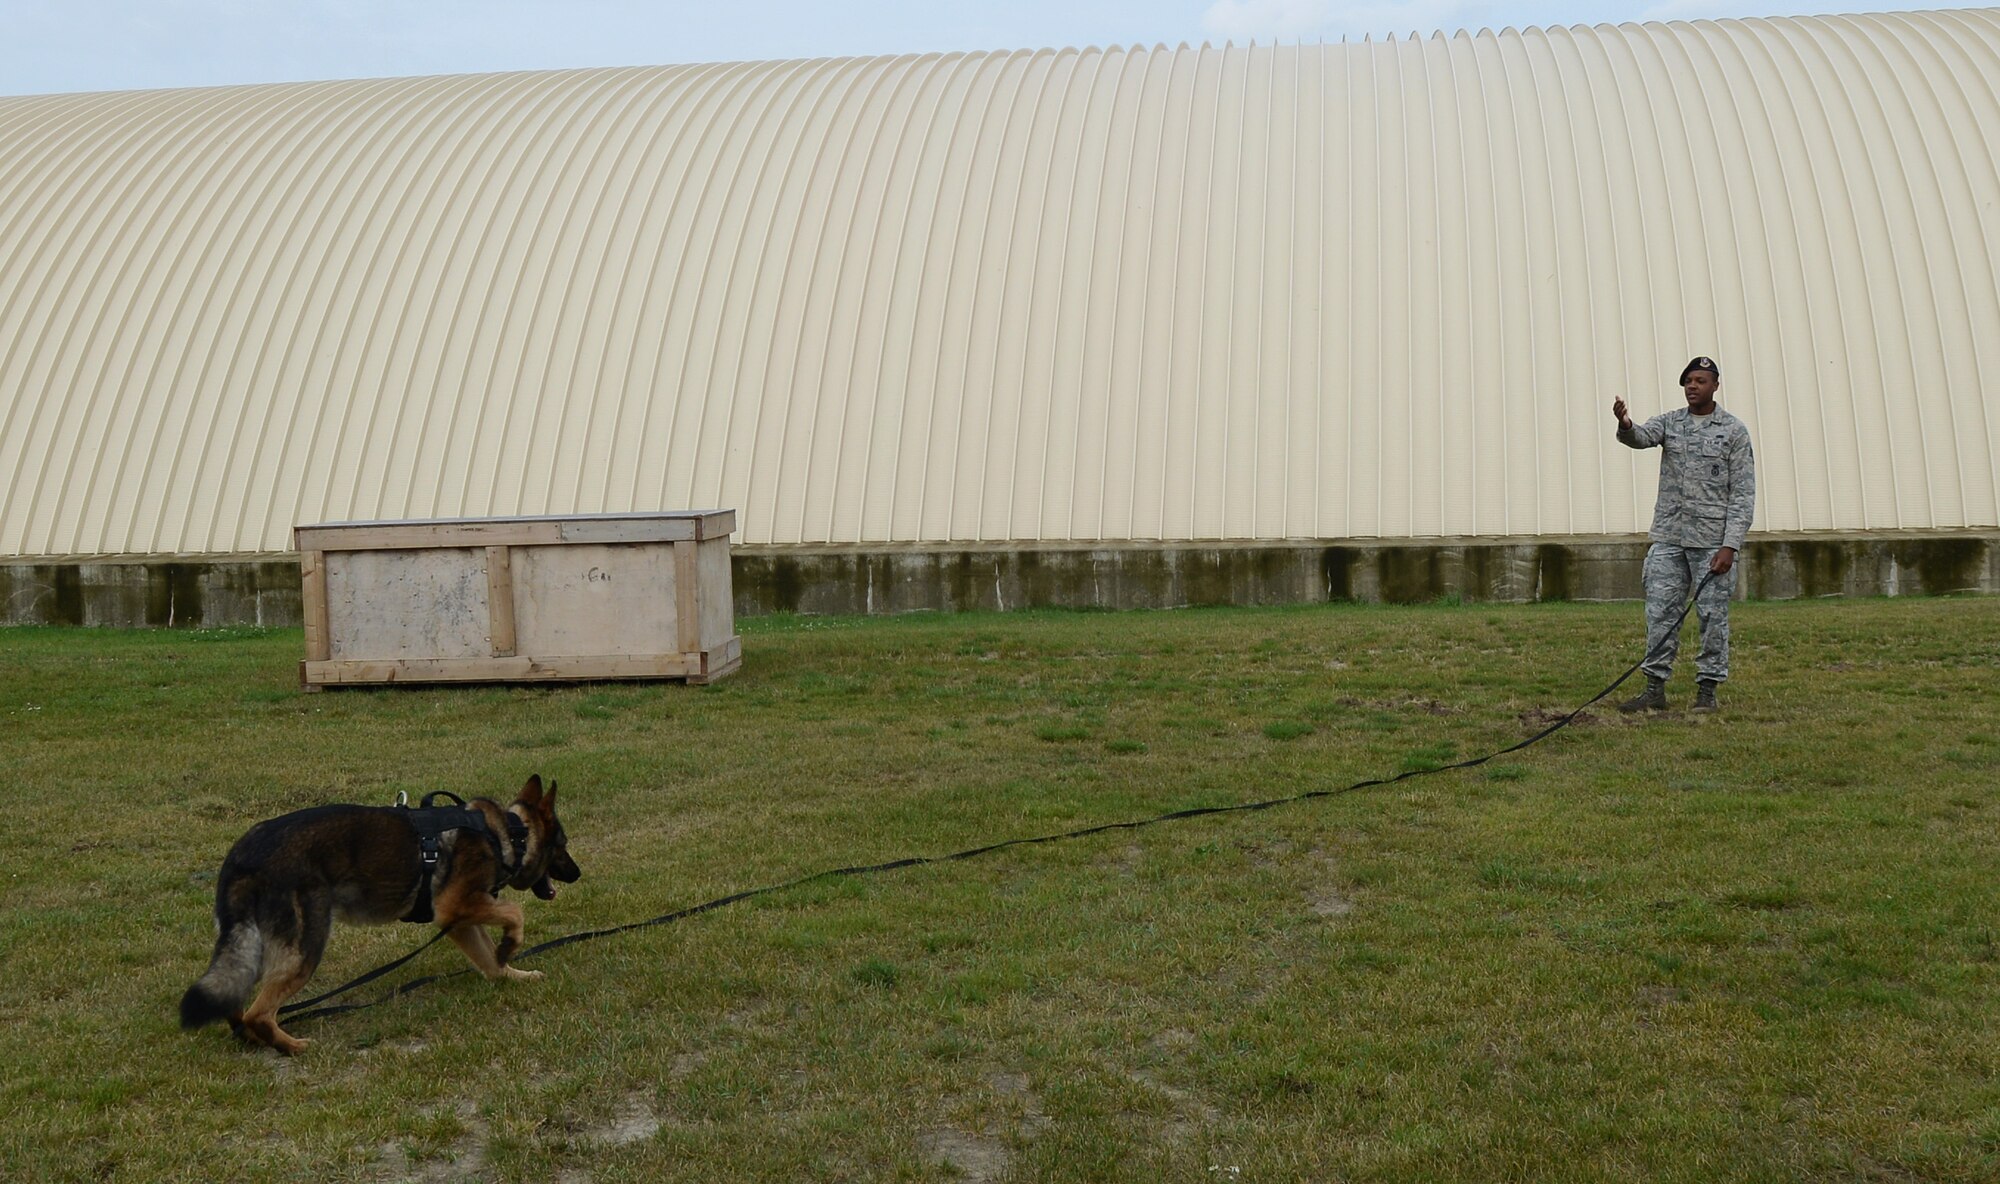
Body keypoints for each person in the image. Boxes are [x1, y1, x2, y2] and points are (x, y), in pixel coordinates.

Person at [1611, 356, 1756, 713]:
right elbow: (1642, 437)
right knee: (1659, 613)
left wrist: (1730, 545)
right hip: (1669, 538)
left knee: (1712, 617)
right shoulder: (1671, 423)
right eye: (1688, 381)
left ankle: (1707, 692)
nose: (1693, 386)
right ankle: (1654, 689)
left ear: (1716, 385)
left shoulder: (1733, 431)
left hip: (1711, 543)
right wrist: (1626, 423)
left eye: (1701, 380)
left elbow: (1742, 493)